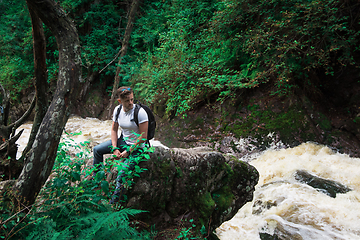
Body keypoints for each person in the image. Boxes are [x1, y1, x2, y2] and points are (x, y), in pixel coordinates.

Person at [93, 86, 148, 204]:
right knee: (97, 150)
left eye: (132, 99)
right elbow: (114, 130)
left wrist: (128, 151)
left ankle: (114, 204)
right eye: (127, 100)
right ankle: (96, 183)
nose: (131, 103)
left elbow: (143, 137)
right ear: (120, 101)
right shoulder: (118, 110)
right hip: (123, 142)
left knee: (122, 173)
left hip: (137, 147)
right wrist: (114, 148)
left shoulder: (140, 112)